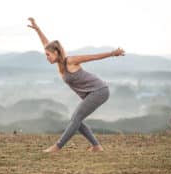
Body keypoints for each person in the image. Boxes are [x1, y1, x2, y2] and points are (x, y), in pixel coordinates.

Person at [27, 17, 125, 153]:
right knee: (76, 119)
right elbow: (46, 44)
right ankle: (96, 146)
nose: (47, 57)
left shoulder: (70, 61)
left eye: (48, 55)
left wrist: (113, 53)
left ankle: (57, 147)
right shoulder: (59, 64)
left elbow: (93, 57)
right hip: (91, 93)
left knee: (76, 118)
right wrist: (37, 29)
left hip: (99, 90)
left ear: (56, 53)